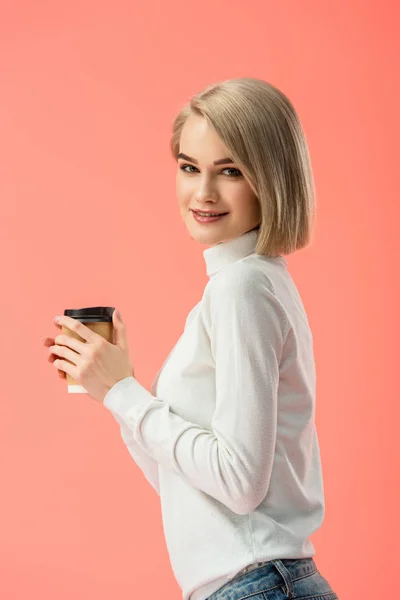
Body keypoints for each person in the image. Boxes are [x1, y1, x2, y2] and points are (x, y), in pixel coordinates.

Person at [102, 78, 339, 599]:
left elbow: (238, 483)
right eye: (190, 167)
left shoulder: (243, 288)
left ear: (270, 179)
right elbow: (187, 487)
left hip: (256, 584)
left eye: (230, 171)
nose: (203, 192)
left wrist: (126, 395)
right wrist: (117, 392)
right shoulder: (245, 286)